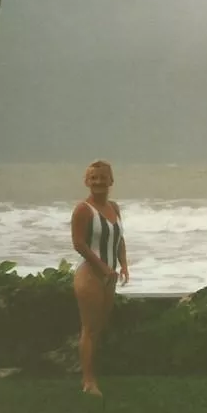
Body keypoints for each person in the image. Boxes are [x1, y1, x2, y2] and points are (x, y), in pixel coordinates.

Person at [71, 159, 129, 396]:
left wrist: (123, 265)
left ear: (111, 180)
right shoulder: (83, 210)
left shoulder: (114, 208)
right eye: (93, 178)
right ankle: (88, 381)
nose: (98, 182)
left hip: (110, 275)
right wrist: (103, 267)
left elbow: (119, 238)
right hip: (89, 274)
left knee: (100, 327)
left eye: (103, 177)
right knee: (89, 328)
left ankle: (94, 373)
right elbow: (79, 243)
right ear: (87, 181)